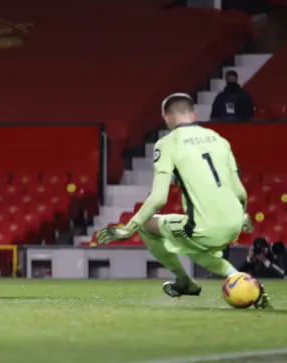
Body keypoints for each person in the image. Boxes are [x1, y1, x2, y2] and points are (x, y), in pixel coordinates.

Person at [96, 93, 271, 309]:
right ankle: (240, 279)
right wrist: (242, 217)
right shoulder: (220, 140)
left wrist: (128, 229)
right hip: (236, 220)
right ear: (194, 114)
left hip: (205, 227)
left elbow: (159, 198)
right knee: (191, 244)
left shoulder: (167, 143)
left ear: (166, 118)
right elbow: (241, 193)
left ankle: (183, 281)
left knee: (147, 227)